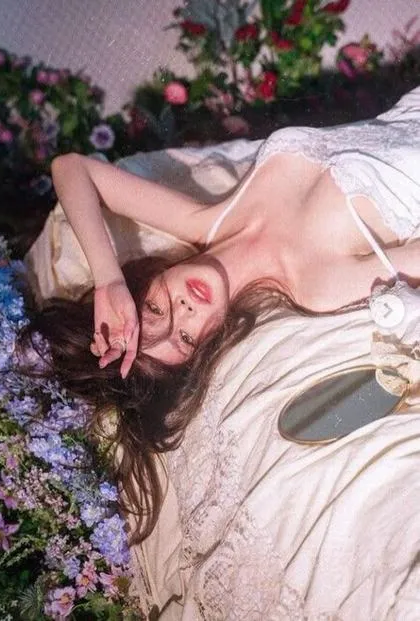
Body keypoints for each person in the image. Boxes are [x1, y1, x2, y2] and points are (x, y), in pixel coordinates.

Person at [24, 85, 420, 542]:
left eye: (154, 307)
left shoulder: (204, 220)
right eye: (185, 337)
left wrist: (109, 280)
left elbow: (71, 168)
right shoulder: (315, 284)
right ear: (209, 347)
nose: (185, 309)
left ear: (144, 281)